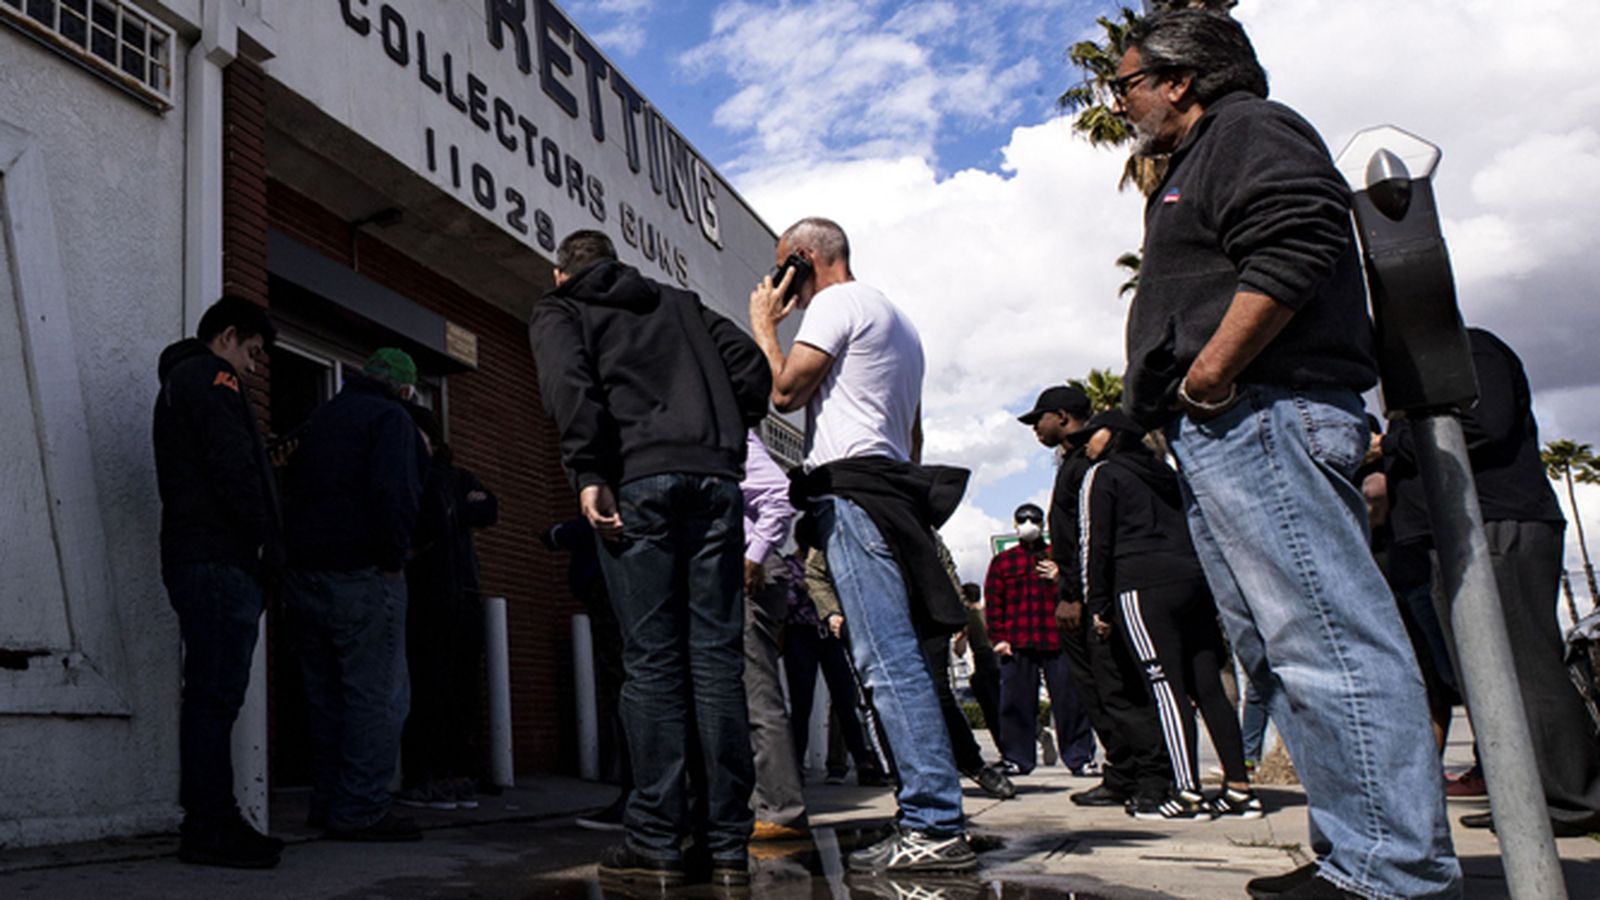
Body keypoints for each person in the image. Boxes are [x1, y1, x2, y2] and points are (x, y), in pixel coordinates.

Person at [1113, 10, 1459, 897]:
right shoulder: (1200, 155)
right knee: (1286, 653)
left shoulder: (1249, 129)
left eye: (1128, 84)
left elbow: (1300, 236)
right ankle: (1358, 854)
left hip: (1261, 413)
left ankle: (1393, 871)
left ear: (1180, 80)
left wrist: (1211, 375)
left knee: (1328, 643)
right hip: (1230, 428)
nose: (1122, 104)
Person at [529, 230, 770, 889]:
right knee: (716, 660)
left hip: (637, 482)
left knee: (652, 661)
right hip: (714, 482)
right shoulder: (680, 303)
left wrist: (588, 471)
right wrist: (723, 434)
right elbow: (752, 369)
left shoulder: (562, 308)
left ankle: (657, 840)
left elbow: (568, 386)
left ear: (560, 273)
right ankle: (727, 845)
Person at [749, 217, 976, 874]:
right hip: (891, 490)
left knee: (885, 662)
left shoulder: (837, 303)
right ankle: (930, 814)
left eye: (783, 268)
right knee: (897, 659)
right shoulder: (898, 320)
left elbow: (785, 392)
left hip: (852, 494)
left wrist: (765, 325)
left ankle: (934, 822)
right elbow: (914, 438)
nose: (781, 282)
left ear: (803, 258)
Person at [1438, 329, 1600, 836]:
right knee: (1491, 678)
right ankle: (1523, 795)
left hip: (1501, 522)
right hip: (1466, 528)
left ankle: (1572, 799)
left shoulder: (1471, 348)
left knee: (1526, 667)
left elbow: (1487, 424)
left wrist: (1391, 443)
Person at [1073, 410, 1258, 821]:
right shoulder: (1167, 473)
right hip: (1192, 581)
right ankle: (1239, 788)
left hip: (1140, 584)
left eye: (1093, 434)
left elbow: (1095, 543)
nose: (1086, 442)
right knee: (1208, 686)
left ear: (1114, 435)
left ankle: (1186, 793)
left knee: (1165, 686)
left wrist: (1097, 603)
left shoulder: (1102, 475)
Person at [153, 296, 285, 868]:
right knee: (214, 697)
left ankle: (213, 821)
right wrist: (265, 541)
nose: (251, 368)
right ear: (227, 335)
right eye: (251, 352)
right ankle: (211, 825)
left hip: (200, 557)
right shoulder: (212, 376)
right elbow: (232, 465)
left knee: (210, 696)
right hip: (219, 560)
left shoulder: (182, 382)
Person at [282, 347, 426, 842]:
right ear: (403, 387)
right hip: (363, 573)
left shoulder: (320, 418)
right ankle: (361, 806)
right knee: (377, 696)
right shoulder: (392, 419)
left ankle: (327, 801)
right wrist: (393, 556)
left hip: (305, 572)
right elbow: (396, 493)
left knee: (325, 696)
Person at [1020, 385, 1170, 809]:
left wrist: (1075, 593)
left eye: (1039, 419)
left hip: (1091, 596)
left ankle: (1152, 779)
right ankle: (1123, 773)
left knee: (1117, 688)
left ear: (1062, 416)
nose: (1035, 428)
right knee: (1097, 691)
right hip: (1080, 590)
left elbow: (1092, 536)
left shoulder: (1092, 463)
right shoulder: (1074, 463)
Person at [397, 406, 498, 812]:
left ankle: (452, 775)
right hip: (430, 594)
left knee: (457, 688)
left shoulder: (452, 477)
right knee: (431, 686)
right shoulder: (422, 477)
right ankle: (432, 776)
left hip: (457, 594)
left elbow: (487, 507)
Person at [983, 503, 1096, 777]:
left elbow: (1079, 592)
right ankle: (1016, 758)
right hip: (1017, 642)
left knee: (1071, 702)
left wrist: (1061, 577)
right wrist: (998, 638)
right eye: (1023, 519)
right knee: (1015, 704)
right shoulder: (1003, 562)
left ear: (1043, 524)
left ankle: (1080, 758)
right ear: (1015, 524)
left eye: (1034, 519)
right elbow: (994, 602)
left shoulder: (1059, 558)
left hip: (1057, 640)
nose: (1028, 524)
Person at [740, 429, 809, 841]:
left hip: (753, 572)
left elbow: (780, 495)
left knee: (757, 694)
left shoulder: (734, 432)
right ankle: (760, 805)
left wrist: (754, 555)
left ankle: (782, 811)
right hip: (738, 571)